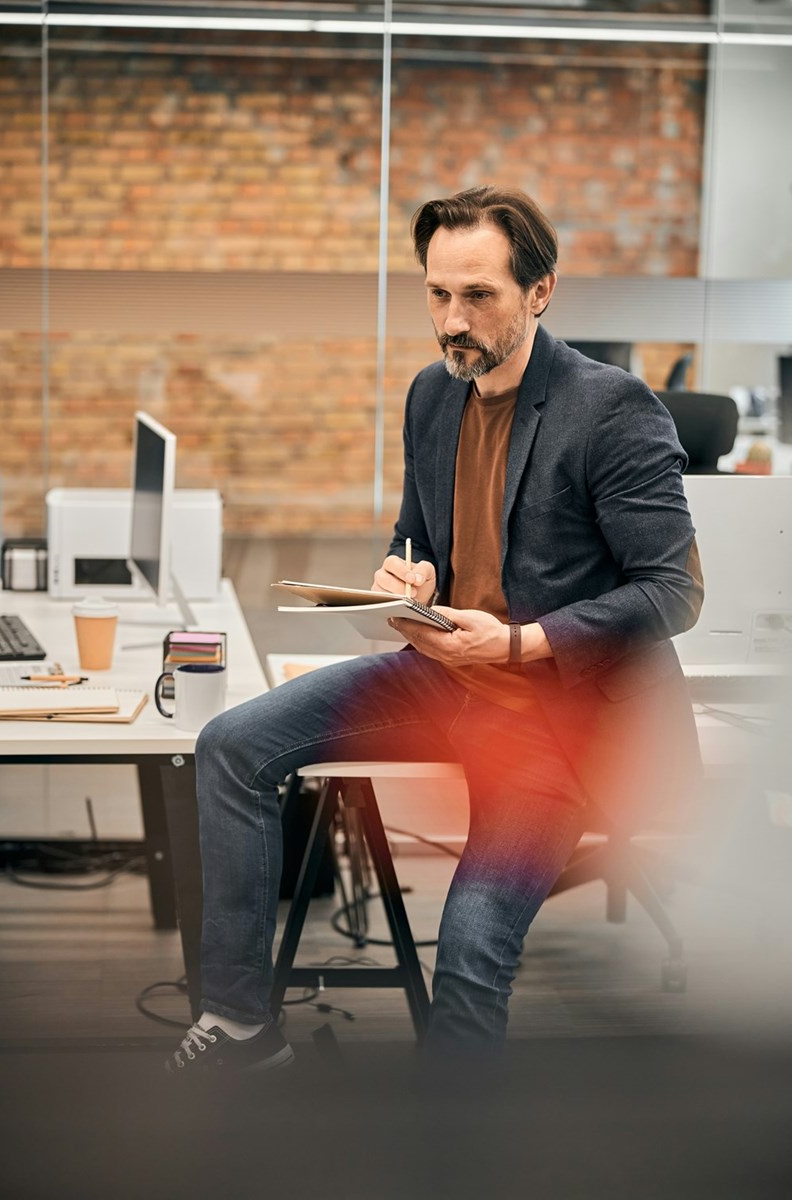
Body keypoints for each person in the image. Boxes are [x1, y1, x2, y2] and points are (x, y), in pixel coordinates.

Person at [166, 185, 704, 1075]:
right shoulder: (433, 394)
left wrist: (522, 642)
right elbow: (414, 536)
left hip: (557, 717)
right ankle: (242, 1023)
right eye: (437, 293)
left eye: (478, 296)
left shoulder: (610, 409)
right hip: (443, 677)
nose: (452, 320)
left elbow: (674, 591)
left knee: (468, 953)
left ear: (540, 292)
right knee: (230, 744)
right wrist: (403, 575)